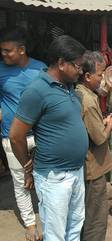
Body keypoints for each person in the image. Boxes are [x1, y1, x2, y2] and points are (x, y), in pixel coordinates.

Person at [9, 35, 88, 241]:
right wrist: (27, 165)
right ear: (61, 63)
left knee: (74, 227)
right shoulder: (37, 90)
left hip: (76, 171)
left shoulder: (69, 86)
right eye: (77, 66)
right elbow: (16, 136)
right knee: (55, 234)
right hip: (54, 177)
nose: (81, 71)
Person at [0, 26, 46, 241]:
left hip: (41, 135)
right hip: (11, 137)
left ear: (21, 50)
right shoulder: (0, 70)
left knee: (44, 178)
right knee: (20, 183)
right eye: (2, 50)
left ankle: (47, 217)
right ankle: (29, 223)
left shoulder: (40, 70)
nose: (3, 54)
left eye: (7, 50)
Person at [75, 51, 112, 241]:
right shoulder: (87, 100)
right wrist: (110, 125)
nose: (102, 79)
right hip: (93, 168)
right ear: (87, 76)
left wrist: (102, 122)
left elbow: (89, 128)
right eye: (100, 74)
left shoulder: (80, 93)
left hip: (87, 166)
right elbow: (100, 138)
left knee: (86, 214)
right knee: (96, 218)